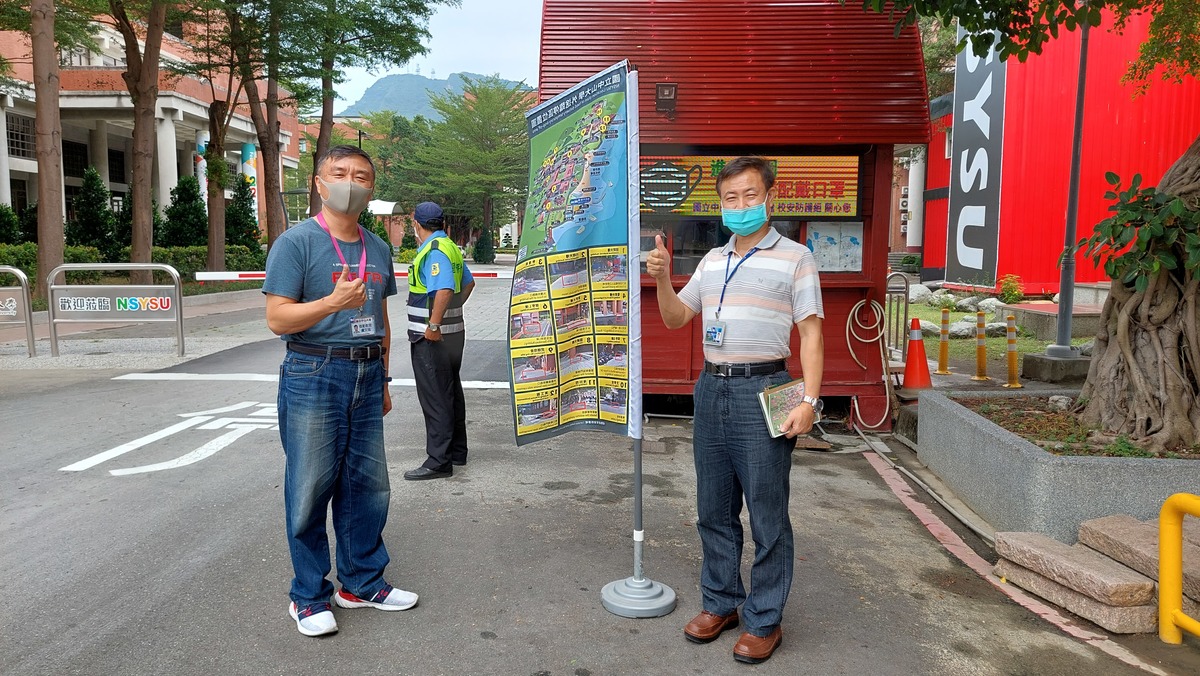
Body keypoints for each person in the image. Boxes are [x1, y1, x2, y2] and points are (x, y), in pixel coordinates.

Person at [646, 156, 825, 664]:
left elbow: (811, 334)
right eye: (730, 198)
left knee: (768, 512)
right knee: (714, 508)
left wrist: (809, 400)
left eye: (749, 195)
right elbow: (679, 317)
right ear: (721, 205)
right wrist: (661, 279)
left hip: (769, 386)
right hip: (712, 388)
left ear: (769, 196)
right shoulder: (712, 260)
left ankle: (765, 619)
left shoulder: (796, 258)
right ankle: (722, 602)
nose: (740, 205)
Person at [263, 145, 417, 637]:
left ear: (372, 189)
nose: (351, 181)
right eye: (341, 172)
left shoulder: (378, 247)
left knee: (368, 485)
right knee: (310, 486)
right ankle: (308, 596)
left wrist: (386, 376)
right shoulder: (296, 243)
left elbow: (382, 316)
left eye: (362, 175)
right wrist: (331, 302)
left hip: (367, 373)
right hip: (314, 370)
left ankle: (361, 583)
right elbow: (276, 318)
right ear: (319, 182)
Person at [403, 202, 476, 480]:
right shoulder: (450, 248)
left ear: (416, 223)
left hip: (433, 337)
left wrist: (434, 324)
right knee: (450, 391)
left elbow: (444, 288)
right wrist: (449, 315)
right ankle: (457, 451)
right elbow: (468, 284)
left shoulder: (434, 251)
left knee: (435, 396)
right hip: (453, 334)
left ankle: (438, 461)